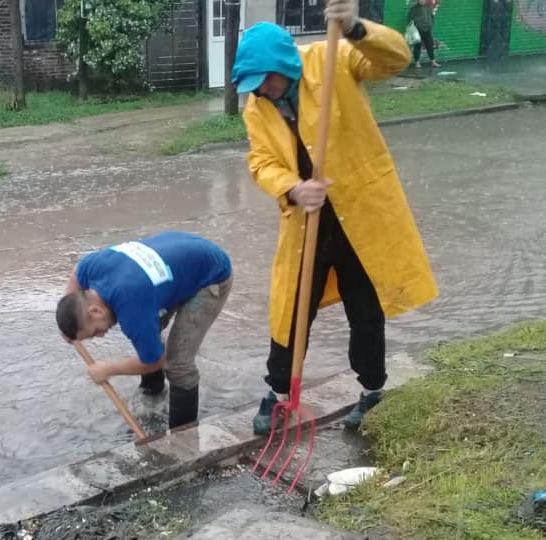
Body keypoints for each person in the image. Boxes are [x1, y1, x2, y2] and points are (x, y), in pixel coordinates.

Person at [231, 2, 439, 433]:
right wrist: (291, 186)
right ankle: (280, 392)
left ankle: (372, 390)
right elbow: (261, 162)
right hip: (308, 217)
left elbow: (395, 59)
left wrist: (356, 28)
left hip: (359, 211)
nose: (262, 91)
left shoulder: (332, 58)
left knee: (364, 306)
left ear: (284, 66)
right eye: (254, 85)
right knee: (290, 306)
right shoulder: (257, 106)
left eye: (265, 80)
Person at [56, 231, 233, 429]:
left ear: (95, 310)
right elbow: (75, 275)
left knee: (177, 363)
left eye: (95, 331)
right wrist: (67, 317)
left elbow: (155, 362)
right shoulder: (92, 267)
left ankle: (183, 437)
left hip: (211, 274)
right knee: (147, 336)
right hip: (181, 254)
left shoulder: (131, 307)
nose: (101, 335)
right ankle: (153, 391)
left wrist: (107, 369)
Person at [408, 0, 441, 68]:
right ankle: (417, 62)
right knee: (418, 46)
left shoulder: (428, 7)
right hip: (418, 30)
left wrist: (430, 24)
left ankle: (433, 61)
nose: (422, 1)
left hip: (427, 29)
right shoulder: (414, 8)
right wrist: (416, 25)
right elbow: (410, 18)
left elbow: (431, 16)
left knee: (430, 45)